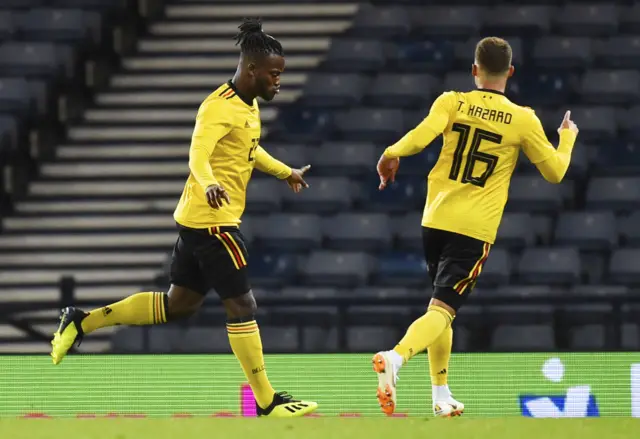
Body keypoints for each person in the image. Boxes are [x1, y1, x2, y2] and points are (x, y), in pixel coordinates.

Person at [50, 18, 318, 418]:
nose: (278, 81)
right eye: (274, 74)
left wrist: (285, 172)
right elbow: (198, 155)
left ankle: (80, 322)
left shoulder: (248, 105)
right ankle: (266, 402)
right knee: (242, 304)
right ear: (251, 70)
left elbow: (250, 150)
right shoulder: (216, 107)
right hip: (213, 221)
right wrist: (209, 182)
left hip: (198, 219)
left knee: (179, 304)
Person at [372, 37, 579, 417]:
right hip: (474, 228)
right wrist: (566, 138)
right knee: (444, 310)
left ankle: (441, 394)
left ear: (474, 70)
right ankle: (396, 357)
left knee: (439, 307)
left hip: (434, 219)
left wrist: (390, 153)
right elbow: (555, 172)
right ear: (510, 73)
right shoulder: (523, 118)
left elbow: (420, 138)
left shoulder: (452, 101)